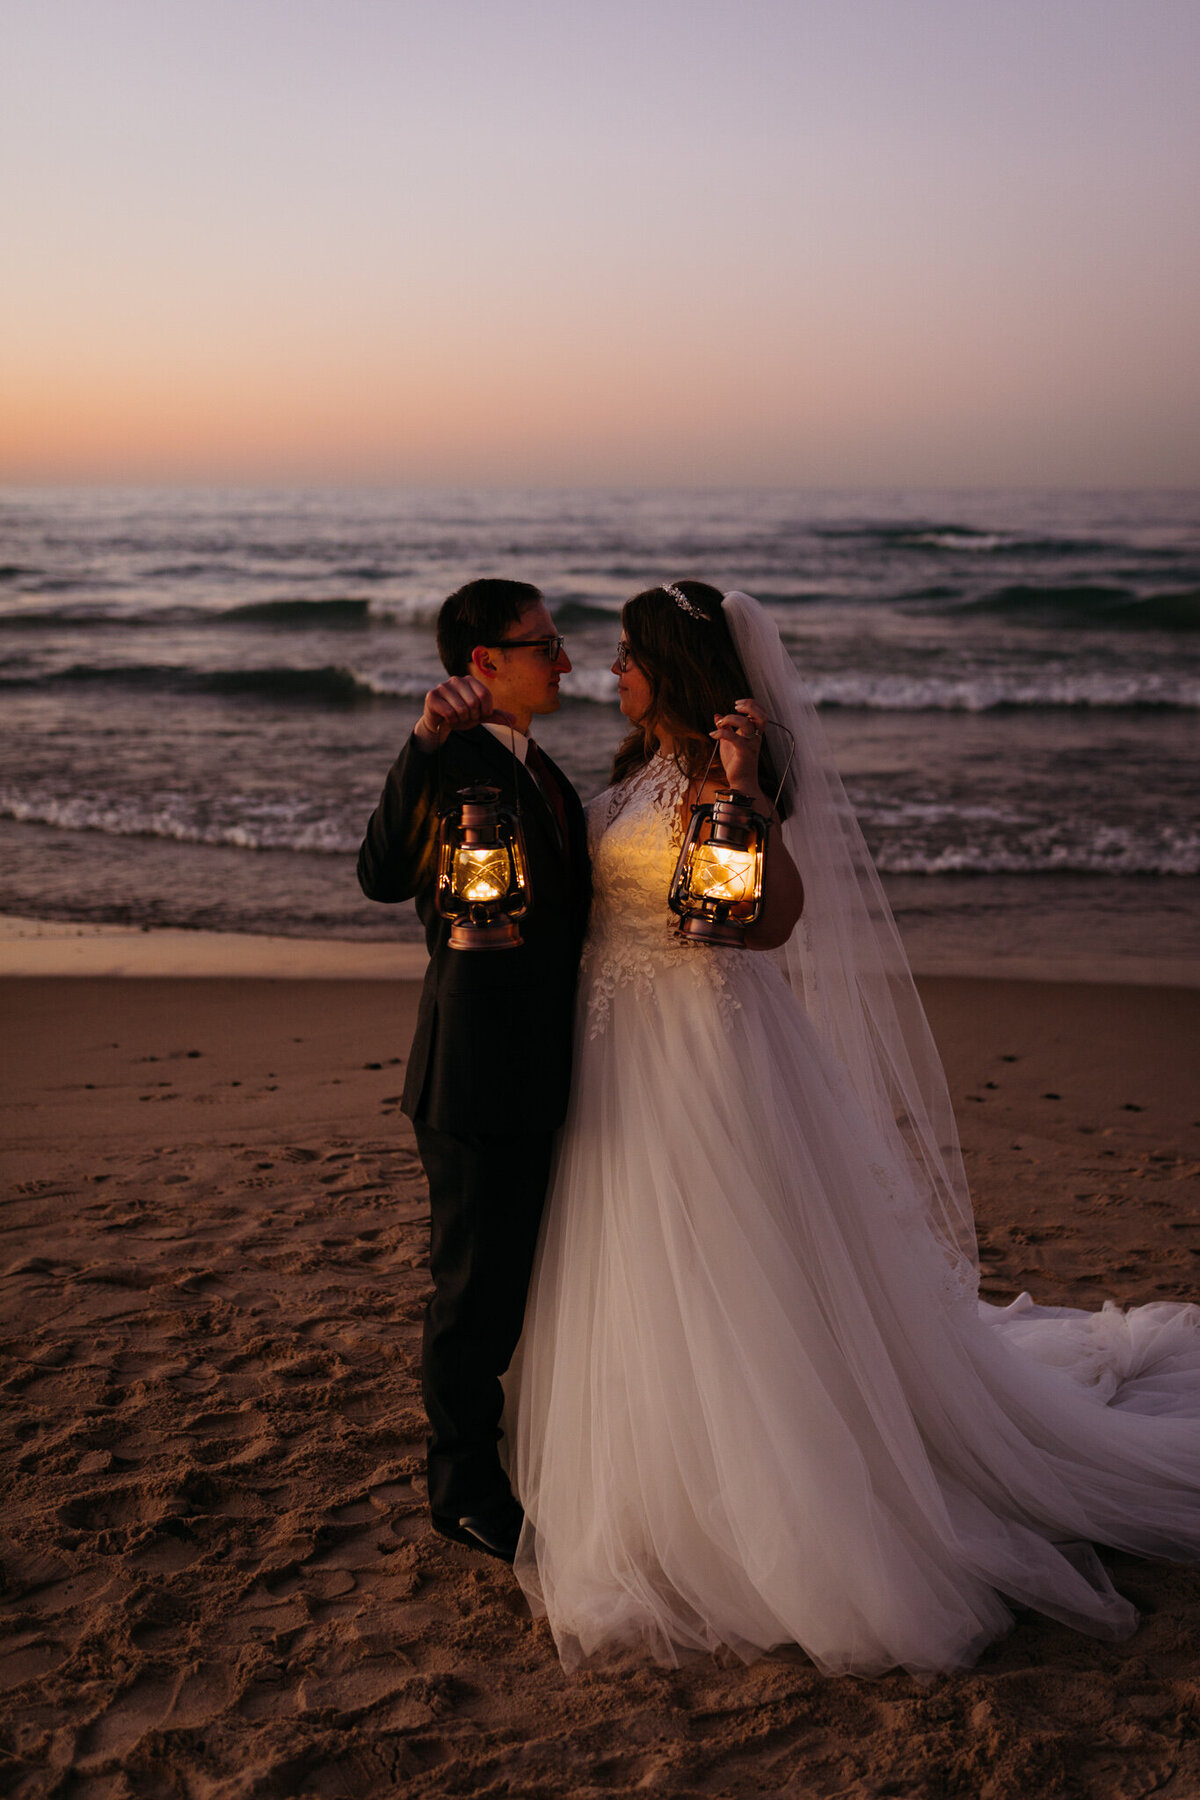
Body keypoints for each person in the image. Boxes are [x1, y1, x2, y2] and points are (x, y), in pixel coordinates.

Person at [504, 579, 1200, 1676]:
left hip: (706, 1047)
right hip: (618, 1047)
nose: (610, 667)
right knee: (638, 1263)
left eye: (632, 652)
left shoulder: (728, 777)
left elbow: (770, 925)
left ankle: (785, 1510)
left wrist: (743, 794)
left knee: (735, 1268)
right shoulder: (630, 772)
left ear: (676, 666)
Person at [357, 578, 590, 1564]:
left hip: (536, 1069)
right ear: (484, 663)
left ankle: (510, 1459)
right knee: (472, 1292)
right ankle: (461, 1490)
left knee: (516, 1281)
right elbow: (379, 873)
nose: (564, 658)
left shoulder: (545, 771)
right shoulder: (450, 762)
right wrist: (418, 743)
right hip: (473, 1077)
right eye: (542, 644)